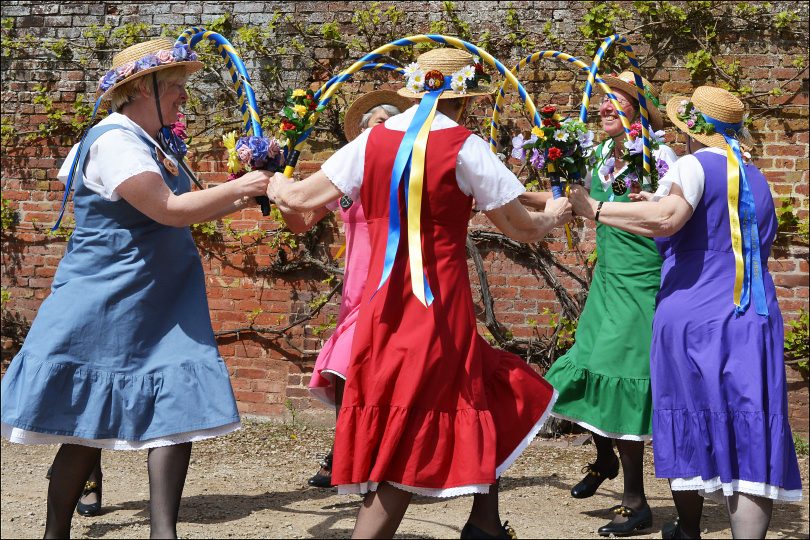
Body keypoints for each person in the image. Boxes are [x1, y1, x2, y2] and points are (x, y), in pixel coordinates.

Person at [269, 47, 572, 539]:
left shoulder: (371, 141)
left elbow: (300, 199)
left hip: (382, 304)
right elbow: (521, 227)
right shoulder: (465, 145)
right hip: (438, 305)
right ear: (464, 101)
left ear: (414, 93)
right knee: (417, 417)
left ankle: (485, 522)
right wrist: (555, 214)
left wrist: (271, 182)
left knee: (475, 385)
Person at [0, 37, 272, 539]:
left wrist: (247, 194)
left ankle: (163, 533)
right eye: (175, 86)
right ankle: (55, 532)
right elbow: (167, 210)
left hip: (162, 300)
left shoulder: (154, 143)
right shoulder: (113, 142)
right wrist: (240, 187)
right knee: (86, 424)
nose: (184, 96)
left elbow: (190, 208)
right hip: (108, 300)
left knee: (178, 409)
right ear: (143, 89)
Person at [567, 85, 803, 539]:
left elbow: (669, 220)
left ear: (693, 131)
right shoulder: (755, 176)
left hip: (695, 314)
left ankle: (688, 528)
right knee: (749, 425)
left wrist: (594, 208)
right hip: (754, 316)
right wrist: (655, 205)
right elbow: (717, 227)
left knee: (687, 415)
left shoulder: (693, 165)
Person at [520, 72, 677, 537]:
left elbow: (667, 217)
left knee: (620, 378)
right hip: (607, 282)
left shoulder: (659, 156)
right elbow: (572, 202)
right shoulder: (602, 153)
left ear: (638, 109)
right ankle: (605, 458)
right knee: (587, 370)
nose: (604, 107)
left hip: (642, 284)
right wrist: (507, 194)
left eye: (616, 100)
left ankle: (636, 502)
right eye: (602, 100)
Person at [296, 89, 411, 488]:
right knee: (348, 370)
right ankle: (351, 452)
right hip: (356, 292)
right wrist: (273, 187)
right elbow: (300, 221)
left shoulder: (408, 175)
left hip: (395, 286)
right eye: (376, 121)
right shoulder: (346, 180)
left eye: (391, 121)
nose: (383, 126)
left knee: (358, 368)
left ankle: (356, 455)